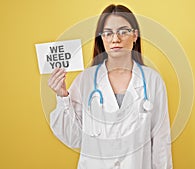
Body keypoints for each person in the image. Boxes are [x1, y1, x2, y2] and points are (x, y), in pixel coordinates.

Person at [48, 4, 173, 169]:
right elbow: (74, 138)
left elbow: (161, 142)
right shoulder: (85, 80)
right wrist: (63, 96)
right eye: (108, 33)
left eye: (123, 31)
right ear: (102, 38)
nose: (116, 39)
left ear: (135, 35)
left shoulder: (152, 81)